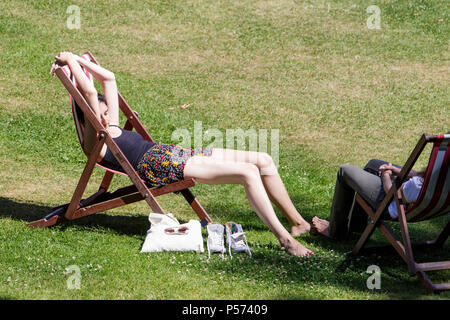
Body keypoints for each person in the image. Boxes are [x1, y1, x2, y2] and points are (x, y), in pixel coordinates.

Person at [49, 52, 313, 257]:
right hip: (160, 166)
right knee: (248, 172)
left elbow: (109, 78)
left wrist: (80, 60)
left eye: (107, 112)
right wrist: (72, 62)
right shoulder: (95, 140)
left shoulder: (113, 126)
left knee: (262, 159)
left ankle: (297, 223)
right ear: (91, 118)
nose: (106, 117)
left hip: (172, 153)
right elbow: (88, 92)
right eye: (101, 114)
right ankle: (285, 239)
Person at [311, 159, 424, 239]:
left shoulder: (418, 185)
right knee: (373, 165)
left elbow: (393, 193)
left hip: (392, 205)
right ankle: (357, 227)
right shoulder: (439, 179)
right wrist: (395, 170)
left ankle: (335, 231)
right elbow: (421, 175)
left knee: (344, 171)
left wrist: (386, 175)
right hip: (413, 198)